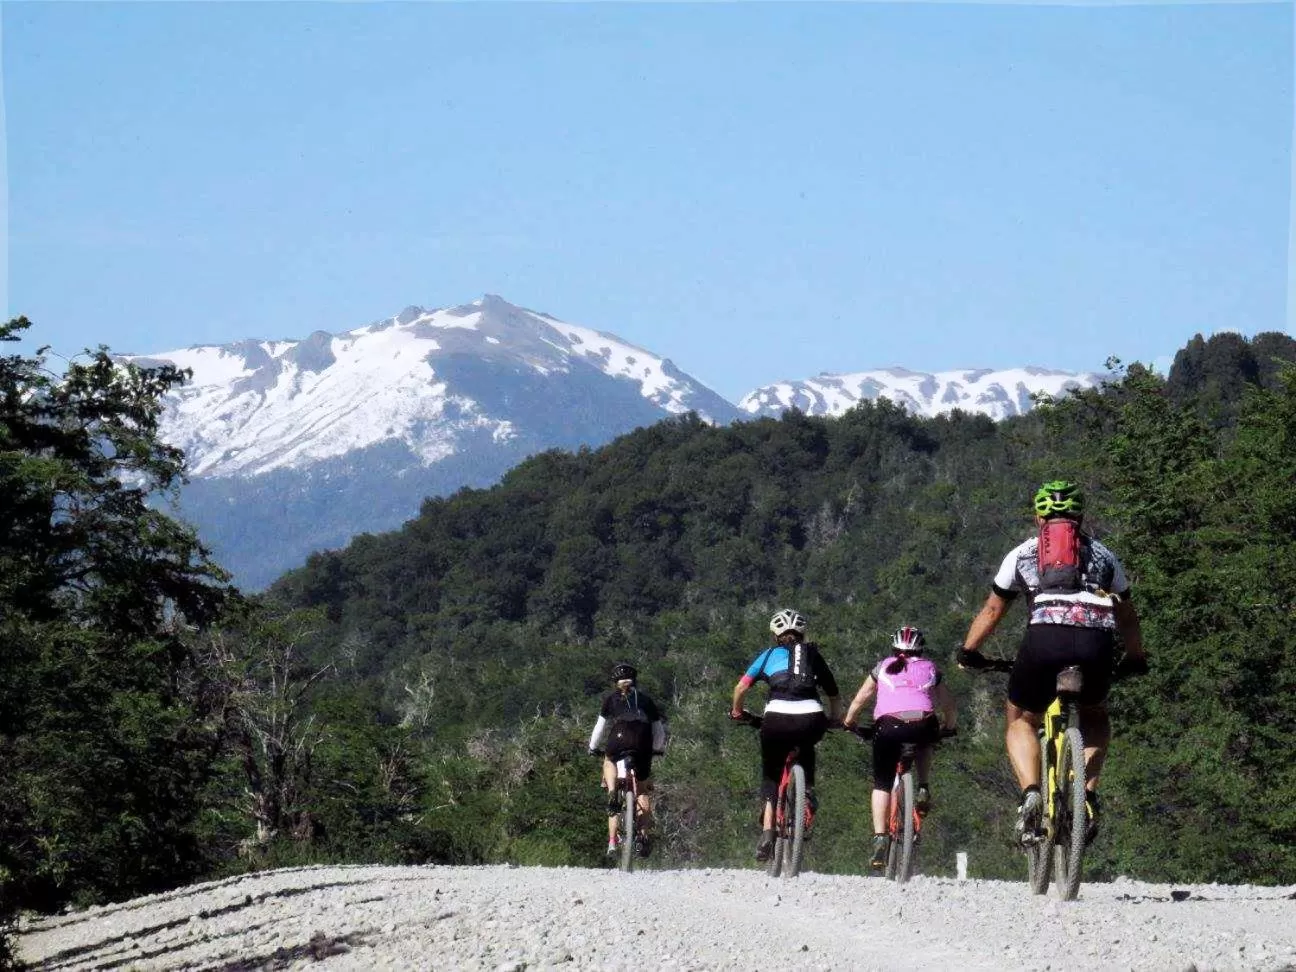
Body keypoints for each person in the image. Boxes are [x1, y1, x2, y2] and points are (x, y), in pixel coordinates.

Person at [957, 479, 1148, 845]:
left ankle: (1031, 792)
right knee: (1094, 714)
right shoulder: (1105, 555)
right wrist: (1135, 657)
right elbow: (1127, 616)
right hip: (1096, 643)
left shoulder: (1023, 554)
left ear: (1038, 518)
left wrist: (969, 651)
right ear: (1081, 516)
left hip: (1044, 641)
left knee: (1020, 718)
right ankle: (1087, 795)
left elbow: (994, 609)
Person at [730, 609, 842, 862]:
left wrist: (738, 712)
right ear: (802, 633)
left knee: (771, 773)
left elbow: (741, 688)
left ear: (775, 635)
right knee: (807, 747)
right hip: (812, 717)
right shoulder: (814, 655)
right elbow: (833, 693)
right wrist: (834, 719)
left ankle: (768, 832)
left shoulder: (769, 655)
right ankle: (807, 793)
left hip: (776, 719)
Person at [843, 625, 957, 869]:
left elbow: (860, 698)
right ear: (921, 649)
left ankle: (880, 838)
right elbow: (948, 704)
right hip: (924, 724)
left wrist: (849, 722)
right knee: (927, 740)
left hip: (889, 727)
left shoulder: (882, 667)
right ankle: (923, 785)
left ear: (894, 650)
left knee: (882, 784)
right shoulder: (930, 668)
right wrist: (949, 727)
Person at [587, 662, 667, 858]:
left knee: (608, 760)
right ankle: (642, 836)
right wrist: (657, 749)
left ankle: (613, 792)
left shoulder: (610, 700)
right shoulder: (647, 700)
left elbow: (600, 728)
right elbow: (658, 731)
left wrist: (592, 747)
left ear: (615, 682)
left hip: (619, 738)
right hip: (643, 743)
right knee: (642, 791)